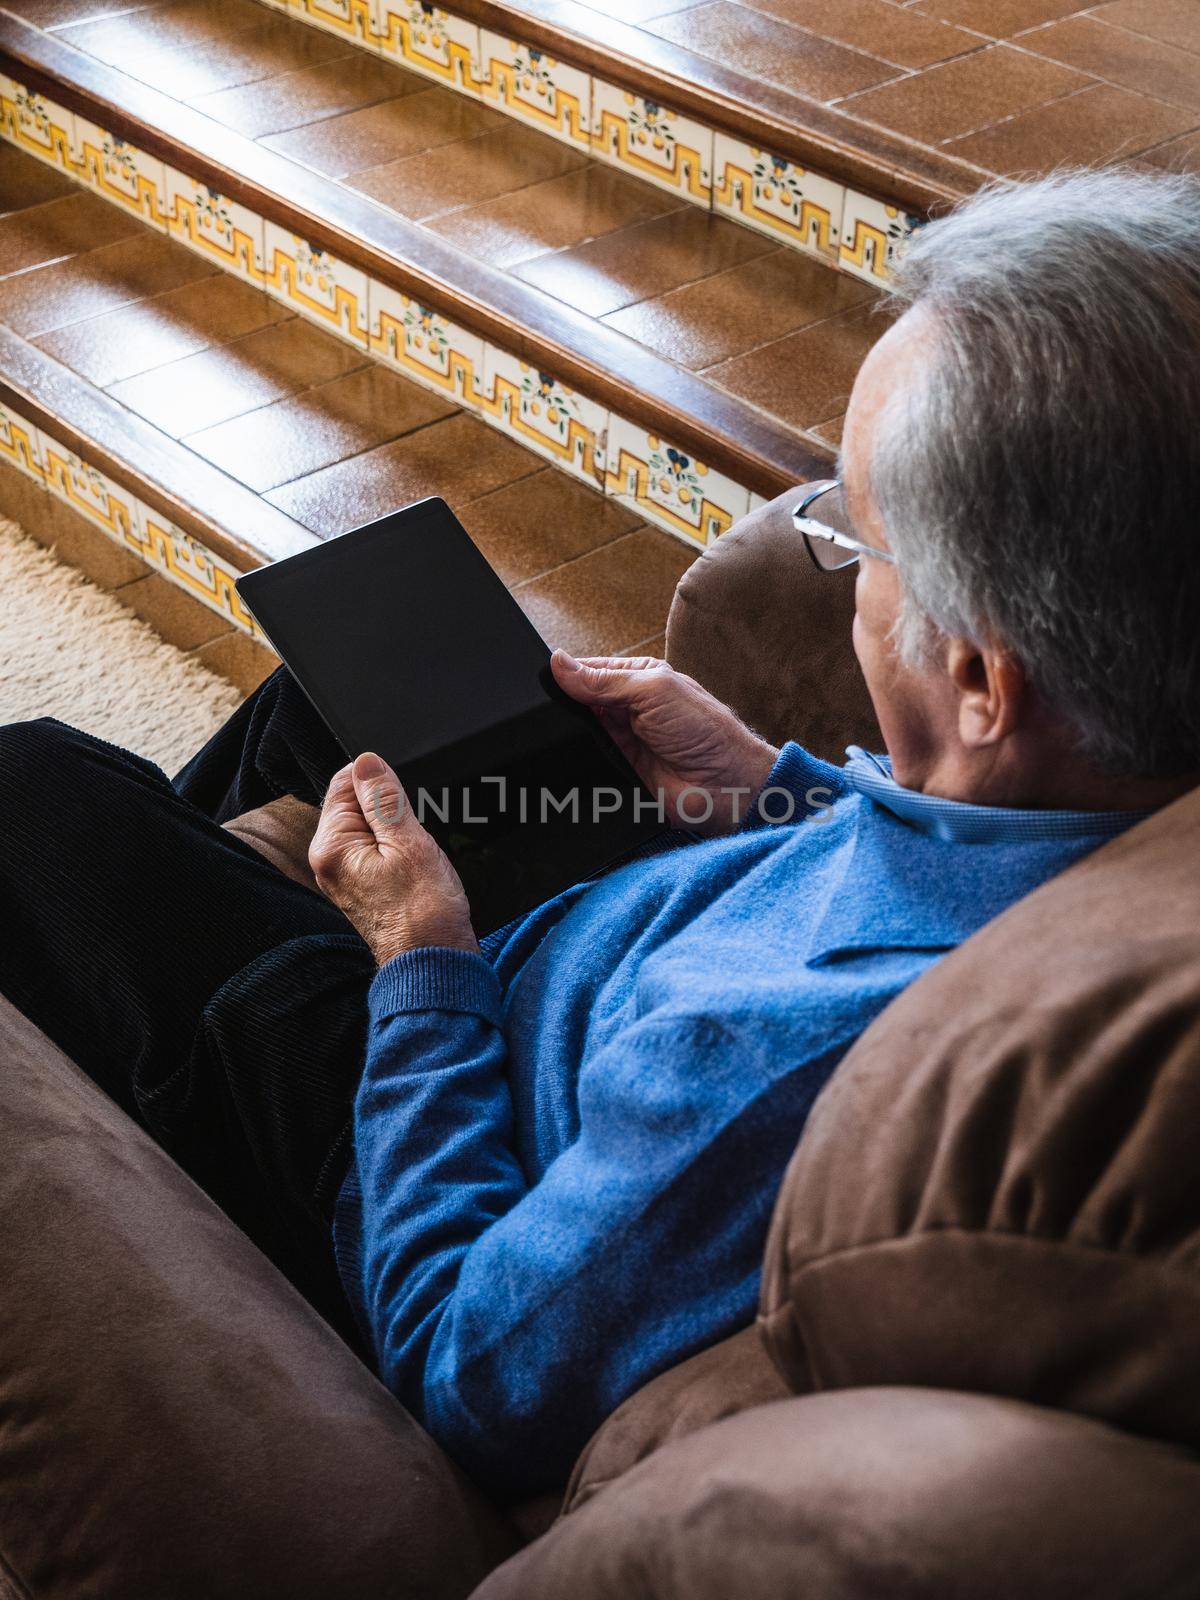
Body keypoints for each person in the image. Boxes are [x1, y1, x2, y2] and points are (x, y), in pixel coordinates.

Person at [3, 168, 1199, 1502]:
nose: (842, 566)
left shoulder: (759, 1059)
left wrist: (418, 962)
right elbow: (945, 851)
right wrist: (766, 794)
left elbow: (465, 1363)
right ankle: (179, 960)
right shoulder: (1101, 796)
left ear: (981, 680)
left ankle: (178, 1045)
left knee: (37, 791)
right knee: (341, 698)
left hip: (405, 1127)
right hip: (604, 959)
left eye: (858, 543)